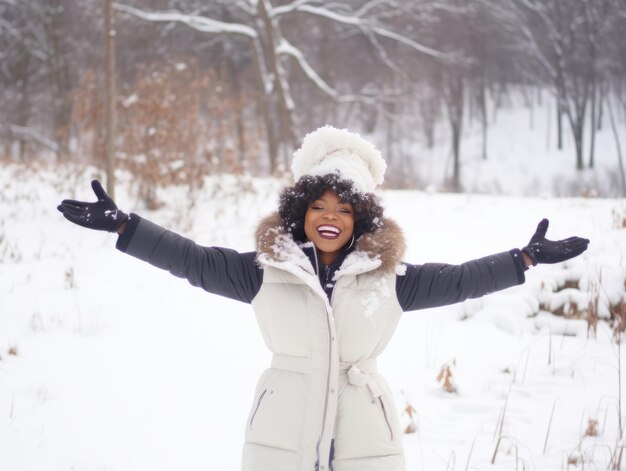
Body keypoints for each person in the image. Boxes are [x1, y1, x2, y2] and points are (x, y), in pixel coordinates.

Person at [57, 126, 589, 471]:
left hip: (365, 437)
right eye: (319, 206)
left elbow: (460, 280)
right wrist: (127, 226)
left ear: (360, 220)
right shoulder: (263, 272)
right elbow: (193, 259)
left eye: (344, 208)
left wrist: (524, 259)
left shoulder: (392, 278)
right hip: (282, 432)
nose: (330, 217)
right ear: (300, 214)